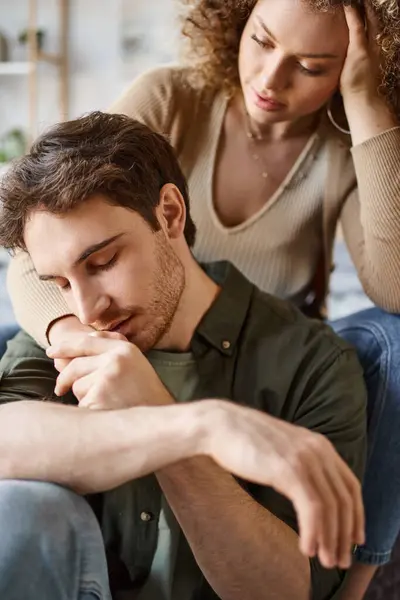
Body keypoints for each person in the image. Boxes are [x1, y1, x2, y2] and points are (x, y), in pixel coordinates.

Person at [3, 0, 400, 597]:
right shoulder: (172, 98)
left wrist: (366, 98)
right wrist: (81, 340)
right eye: (262, 42)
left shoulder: (310, 360)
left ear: (169, 213)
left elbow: (393, 285)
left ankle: (361, 577)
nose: (270, 79)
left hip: (249, 340)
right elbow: (57, 224)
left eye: (312, 66)